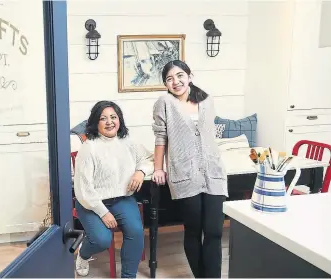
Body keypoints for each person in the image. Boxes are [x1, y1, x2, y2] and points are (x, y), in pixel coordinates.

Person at [151, 60, 228, 278]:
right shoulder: (164, 102)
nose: (175, 81)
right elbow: (160, 137)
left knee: (214, 231)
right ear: (165, 84)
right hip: (184, 174)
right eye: (169, 79)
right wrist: (158, 168)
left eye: (179, 75)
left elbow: (209, 134)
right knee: (194, 230)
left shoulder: (206, 100)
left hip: (213, 172)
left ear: (190, 76)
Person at [73, 100, 154, 278]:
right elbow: (83, 190)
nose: (109, 122)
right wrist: (103, 212)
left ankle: (128, 276)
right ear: (96, 123)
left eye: (113, 117)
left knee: (135, 232)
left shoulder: (128, 142)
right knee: (102, 239)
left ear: (120, 120)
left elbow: (150, 159)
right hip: (91, 203)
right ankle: (83, 254)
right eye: (103, 118)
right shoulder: (89, 148)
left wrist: (140, 172)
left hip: (122, 199)